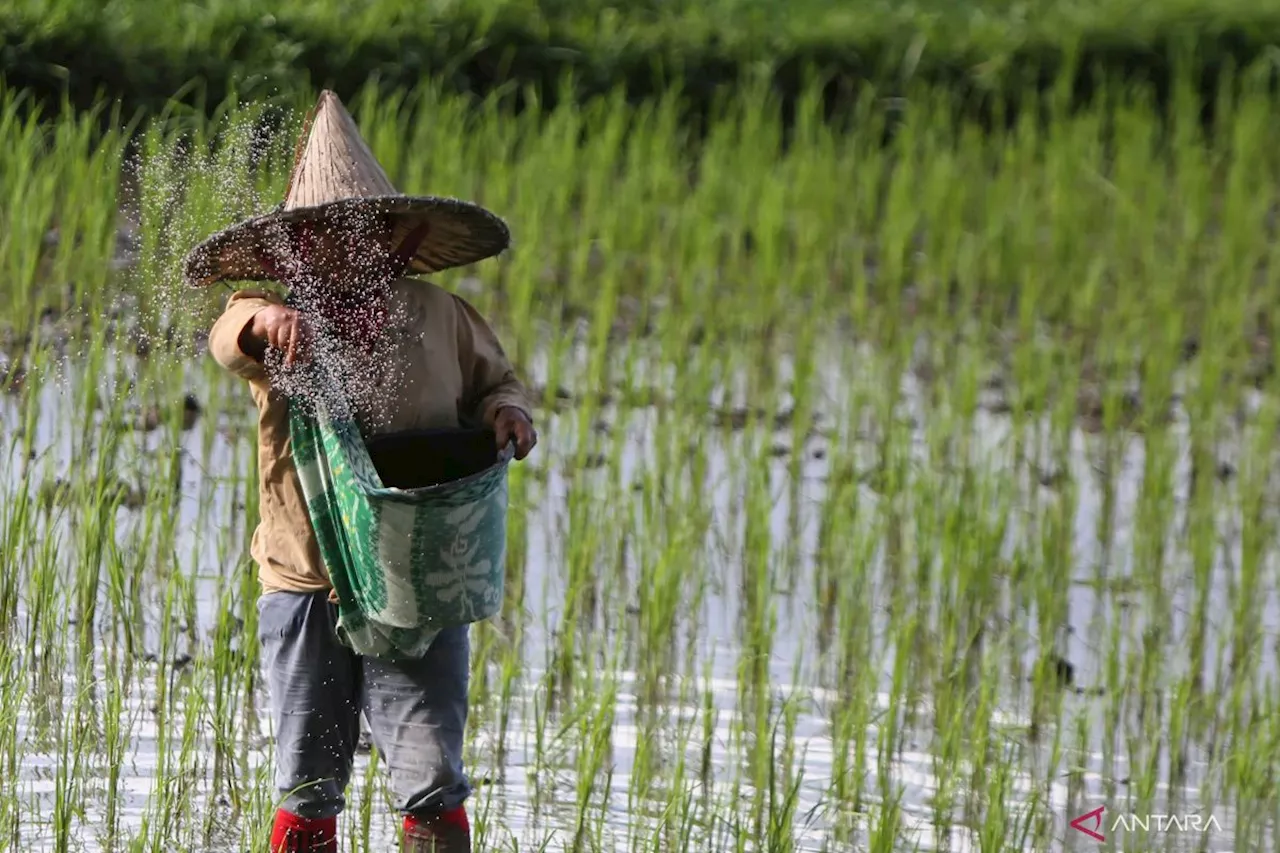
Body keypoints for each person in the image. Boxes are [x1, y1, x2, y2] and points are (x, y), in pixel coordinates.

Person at [186, 90, 536, 853]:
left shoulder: (439, 315)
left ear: (397, 240)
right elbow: (226, 335)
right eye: (317, 237)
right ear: (292, 252)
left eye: (359, 233)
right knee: (309, 782)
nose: (340, 249)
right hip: (307, 580)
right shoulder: (270, 317)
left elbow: (495, 384)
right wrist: (266, 322)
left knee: (433, 775)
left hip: (418, 576)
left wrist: (509, 414)